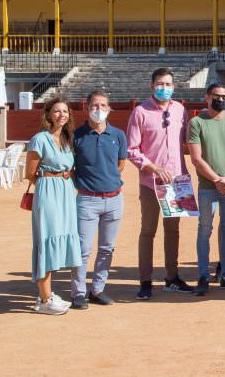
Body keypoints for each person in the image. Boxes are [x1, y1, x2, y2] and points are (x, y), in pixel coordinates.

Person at [126, 67, 194, 300]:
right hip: (151, 182)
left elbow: (189, 141)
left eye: (168, 84)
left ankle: (172, 277)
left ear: (173, 87)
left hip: (177, 182)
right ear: (152, 86)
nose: (164, 88)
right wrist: (154, 168)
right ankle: (145, 280)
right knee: (148, 230)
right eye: (160, 84)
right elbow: (132, 149)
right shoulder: (140, 112)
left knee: (173, 230)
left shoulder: (180, 110)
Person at [188, 83, 225, 295]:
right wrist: (216, 180)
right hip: (208, 185)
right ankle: (203, 275)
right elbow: (196, 158)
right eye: (216, 96)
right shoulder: (196, 122)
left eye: (223, 96)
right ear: (207, 97)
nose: (220, 99)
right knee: (205, 229)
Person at [70, 91, 127, 309]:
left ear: (110, 108)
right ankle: (78, 292)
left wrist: (108, 179)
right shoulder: (77, 135)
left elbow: (121, 163)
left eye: (103, 105)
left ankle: (98, 289)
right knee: (83, 249)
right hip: (87, 200)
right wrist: (83, 184)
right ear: (87, 107)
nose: (99, 109)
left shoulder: (118, 135)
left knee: (107, 248)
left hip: (114, 199)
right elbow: (71, 167)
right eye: (95, 105)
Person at [26, 97, 82, 315]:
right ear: (48, 114)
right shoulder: (39, 139)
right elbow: (29, 174)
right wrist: (49, 182)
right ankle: (45, 298)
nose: (62, 115)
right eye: (57, 111)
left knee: (62, 236)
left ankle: (47, 295)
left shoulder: (67, 139)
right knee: (47, 239)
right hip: (48, 192)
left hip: (66, 191)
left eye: (65, 111)